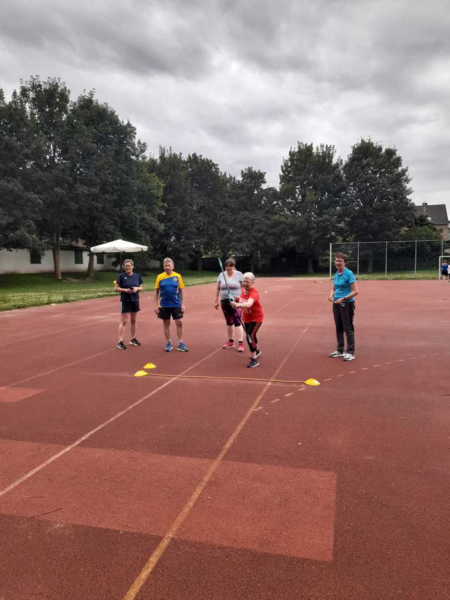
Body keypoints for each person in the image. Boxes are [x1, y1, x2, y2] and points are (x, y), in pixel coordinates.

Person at [328, 252, 359, 361]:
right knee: (338, 326)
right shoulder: (337, 273)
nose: (337, 263)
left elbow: (356, 291)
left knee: (347, 326)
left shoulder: (349, 274)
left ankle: (350, 352)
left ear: (345, 262)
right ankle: (340, 350)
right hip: (336, 303)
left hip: (346, 303)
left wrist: (344, 298)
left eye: (340, 261)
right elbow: (334, 288)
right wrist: (331, 296)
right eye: (336, 260)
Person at [154, 257, 189, 352]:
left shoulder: (178, 276)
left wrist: (183, 304)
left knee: (179, 322)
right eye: (166, 265)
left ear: (173, 267)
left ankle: (180, 343)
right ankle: (169, 342)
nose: (167, 267)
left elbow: (182, 291)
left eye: (169, 265)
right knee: (166, 323)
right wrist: (156, 306)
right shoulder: (160, 277)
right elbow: (156, 292)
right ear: (163, 267)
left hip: (176, 304)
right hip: (164, 305)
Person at [230, 272, 264, 368]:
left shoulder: (254, 293)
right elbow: (243, 299)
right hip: (246, 318)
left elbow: (249, 304)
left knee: (249, 336)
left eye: (247, 282)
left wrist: (238, 305)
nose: (244, 283)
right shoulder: (243, 290)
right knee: (252, 335)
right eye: (243, 281)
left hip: (256, 318)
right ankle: (257, 350)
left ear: (253, 282)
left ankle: (254, 359)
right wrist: (237, 299)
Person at [215, 258, 245, 352]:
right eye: (226, 266)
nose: (228, 268)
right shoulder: (221, 275)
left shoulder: (239, 274)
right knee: (229, 321)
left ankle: (241, 343)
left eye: (230, 266)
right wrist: (216, 300)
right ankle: (231, 341)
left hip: (236, 302)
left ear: (233, 266)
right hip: (224, 301)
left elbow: (244, 288)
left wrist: (242, 299)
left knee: (237, 321)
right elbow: (218, 288)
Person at [115, 259, 143, 350]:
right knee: (124, 321)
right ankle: (120, 342)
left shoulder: (137, 276)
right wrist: (125, 290)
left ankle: (133, 339)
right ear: (124, 267)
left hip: (135, 300)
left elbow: (141, 287)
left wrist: (136, 288)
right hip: (125, 300)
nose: (127, 267)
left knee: (134, 320)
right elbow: (116, 288)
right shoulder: (121, 276)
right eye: (126, 266)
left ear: (132, 266)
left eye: (129, 266)